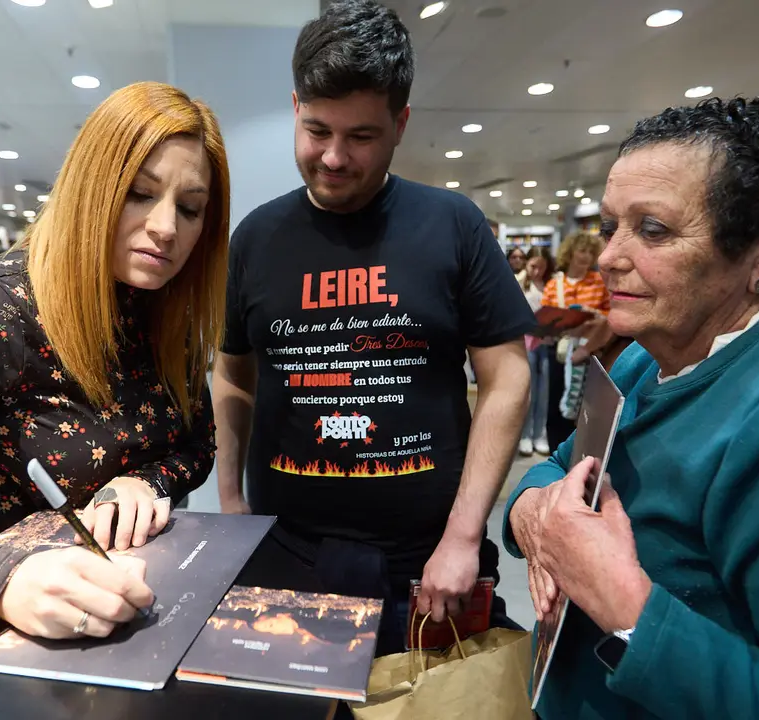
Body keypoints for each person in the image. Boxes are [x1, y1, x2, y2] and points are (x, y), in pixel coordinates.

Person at [504, 96, 759, 719]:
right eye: (611, 226)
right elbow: (558, 466)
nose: (610, 256)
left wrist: (622, 603)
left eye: (654, 230)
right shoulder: (646, 354)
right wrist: (535, 517)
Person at [0, 81, 231, 641]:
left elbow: (196, 445)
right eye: (139, 194)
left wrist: (145, 482)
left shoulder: (166, 307)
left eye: (190, 208)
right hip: (22, 634)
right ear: (90, 190)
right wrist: (4, 580)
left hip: (149, 600)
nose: (167, 227)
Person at [214, 0, 534, 657]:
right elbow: (233, 372)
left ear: (400, 124)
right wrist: (229, 501)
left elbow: (507, 377)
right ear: (296, 107)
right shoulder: (255, 238)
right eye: (316, 130)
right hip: (286, 554)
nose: (334, 156)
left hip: (426, 564)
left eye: (361, 136)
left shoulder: (453, 225)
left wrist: (464, 535)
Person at [541, 232, 613, 448]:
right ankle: (556, 450)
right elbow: (544, 320)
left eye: (591, 252)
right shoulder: (554, 284)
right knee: (556, 402)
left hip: (591, 351)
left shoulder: (599, 282)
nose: (586, 256)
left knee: (585, 405)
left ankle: (578, 449)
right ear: (570, 252)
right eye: (582, 250)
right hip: (560, 350)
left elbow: (611, 315)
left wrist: (594, 316)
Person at [519, 247, 554, 456]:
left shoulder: (551, 284)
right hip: (526, 342)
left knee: (544, 392)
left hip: (547, 342)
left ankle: (540, 434)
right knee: (529, 391)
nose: (537, 271)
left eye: (542, 267)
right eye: (533, 266)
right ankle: (525, 434)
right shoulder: (519, 282)